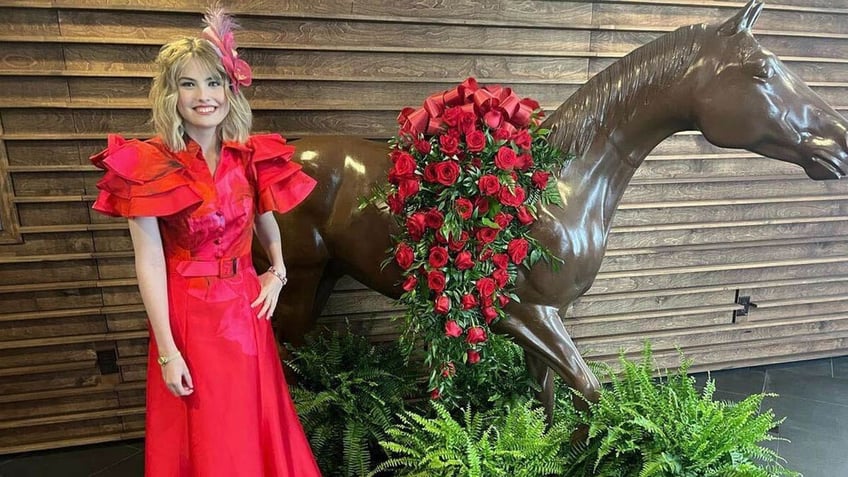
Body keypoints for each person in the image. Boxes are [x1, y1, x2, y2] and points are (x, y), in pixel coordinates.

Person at [89, 7, 322, 477]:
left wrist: (276, 272)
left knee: (252, 422)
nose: (204, 96)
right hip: (189, 315)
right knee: (207, 431)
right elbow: (149, 262)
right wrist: (168, 351)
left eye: (214, 82)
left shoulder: (249, 155)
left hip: (244, 310)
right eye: (188, 84)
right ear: (170, 93)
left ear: (229, 90)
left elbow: (265, 220)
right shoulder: (148, 164)